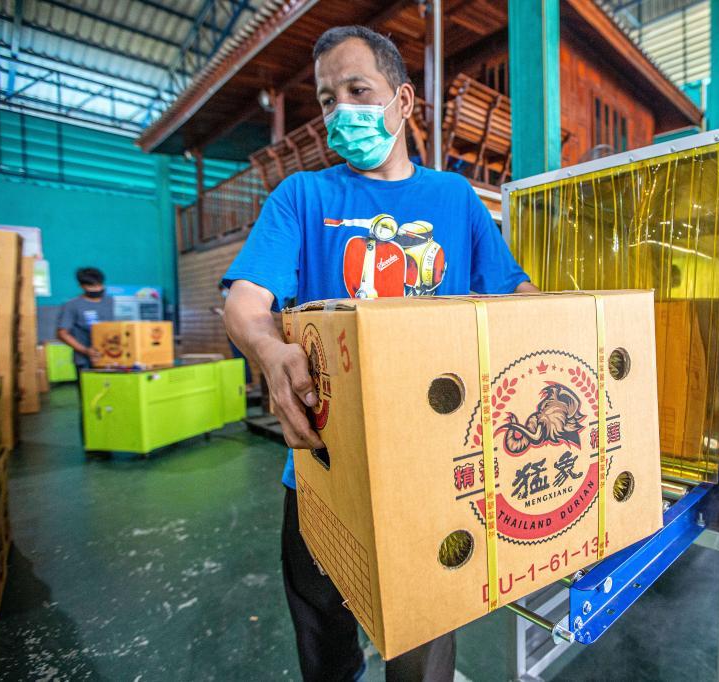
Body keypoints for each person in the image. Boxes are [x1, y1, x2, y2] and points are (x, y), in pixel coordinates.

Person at [222, 26, 539, 682]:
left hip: (436, 464)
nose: (341, 109)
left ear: (402, 101)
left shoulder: (454, 198)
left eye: (357, 90)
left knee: (422, 634)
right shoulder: (302, 197)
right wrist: (267, 348)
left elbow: (514, 292)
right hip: (324, 465)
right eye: (327, 98)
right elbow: (246, 300)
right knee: (325, 637)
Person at [56, 267, 114, 372]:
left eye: (100, 285)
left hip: (111, 359)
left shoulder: (109, 301)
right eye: (92, 286)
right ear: (82, 286)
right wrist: (86, 350)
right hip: (85, 362)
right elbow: (62, 334)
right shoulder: (72, 305)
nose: (97, 289)